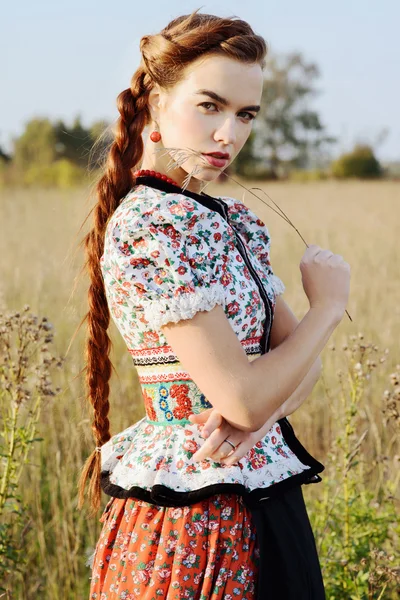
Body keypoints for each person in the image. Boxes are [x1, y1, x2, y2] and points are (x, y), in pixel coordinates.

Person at [78, 10, 350, 599]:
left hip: (261, 495)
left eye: (245, 114)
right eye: (210, 106)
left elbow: (299, 372)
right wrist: (327, 309)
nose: (229, 134)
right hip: (192, 517)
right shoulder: (153, 224)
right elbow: (243, 396)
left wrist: (258, 426)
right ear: (154, 101)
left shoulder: (237, 222)